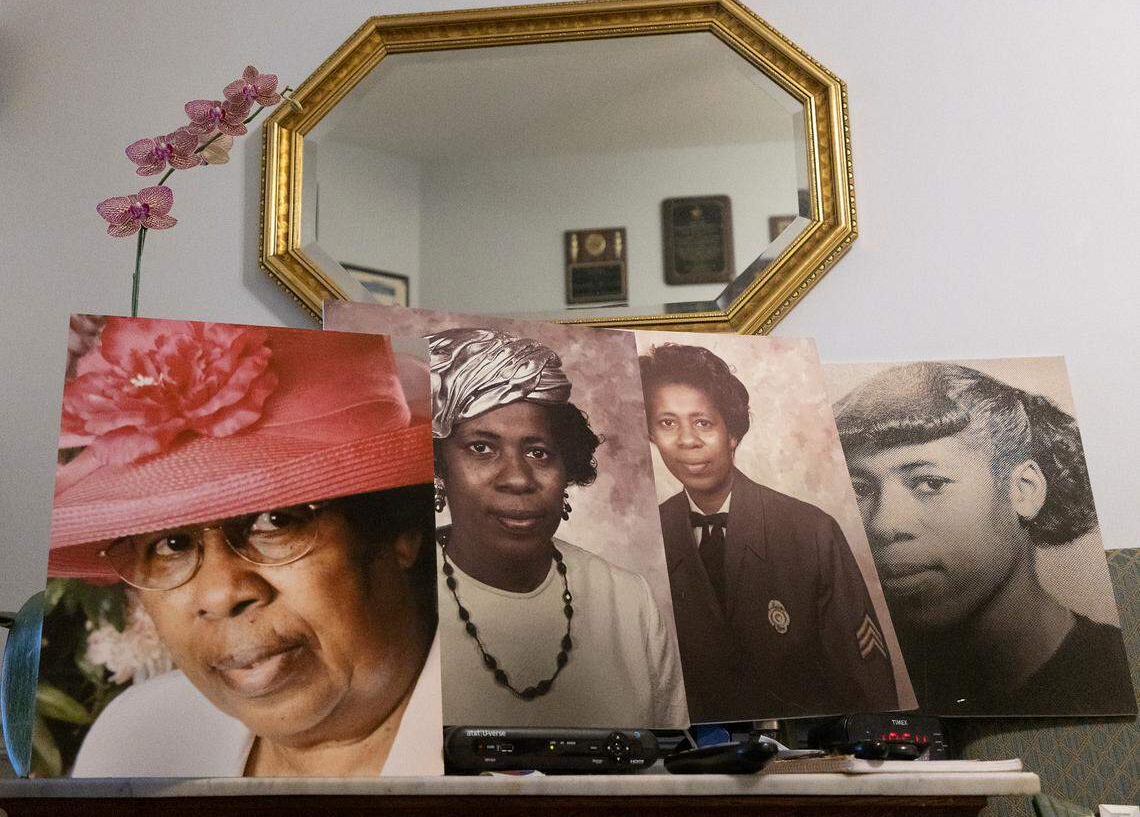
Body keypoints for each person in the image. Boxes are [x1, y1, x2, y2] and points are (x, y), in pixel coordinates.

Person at [48, 317, 443, 776]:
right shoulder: (134, 741)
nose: (221, 594)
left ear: (400, 532)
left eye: (274, 521)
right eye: (170, 544)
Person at [833, 362, 1135, 715]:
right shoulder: (843, 686)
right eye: (860, 490)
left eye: (929, 483)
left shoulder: (1112, 675)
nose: (883, 524)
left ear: (1023, 491)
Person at [429, 328, 687, 728]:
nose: (517, 478)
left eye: (538, 452)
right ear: (439, 468)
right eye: (482, 447)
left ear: (567, 468)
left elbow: (670, 766)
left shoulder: (627, 599)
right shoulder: (390, 598)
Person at [638, 342, 899, 722]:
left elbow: (867, 684)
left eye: (703, 423)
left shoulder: (810, 531)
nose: (686, 440)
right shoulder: (651, 534)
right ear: (651, 435)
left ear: (732, 433)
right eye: (667, 423)